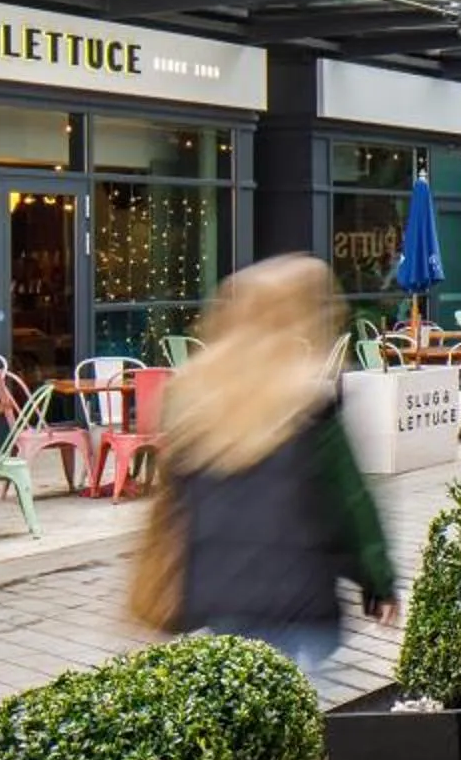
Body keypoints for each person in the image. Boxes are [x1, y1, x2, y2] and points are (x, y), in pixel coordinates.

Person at [152, 255, 395, 675]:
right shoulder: (308, 403)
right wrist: (377, 582)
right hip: (295, 598)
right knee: (296, 717)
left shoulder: (193, 395)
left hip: (219, 593)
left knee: (246, 706)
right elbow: (349, 506)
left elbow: (178, 502)